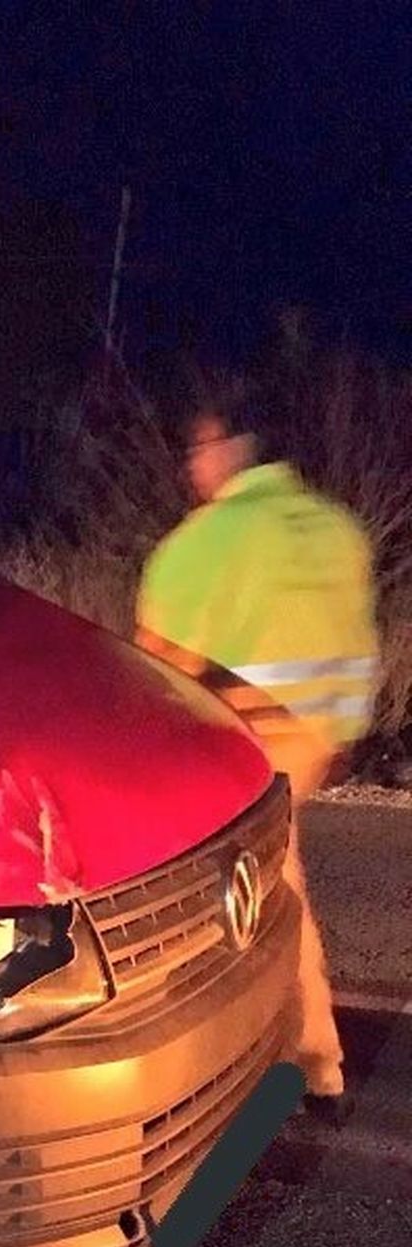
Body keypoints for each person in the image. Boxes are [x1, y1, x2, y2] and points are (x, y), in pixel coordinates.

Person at [136, 386, 379, 1104]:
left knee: (223, 891)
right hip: (319, 739)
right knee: (271, 876)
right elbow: (359, 646)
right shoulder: (334, 527)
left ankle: (295, 1059)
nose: (192, 466)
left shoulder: (203, 543)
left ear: (229, 451)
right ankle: (300, 1055)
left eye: (199, 450)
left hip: (245, 742)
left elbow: (154, 669)